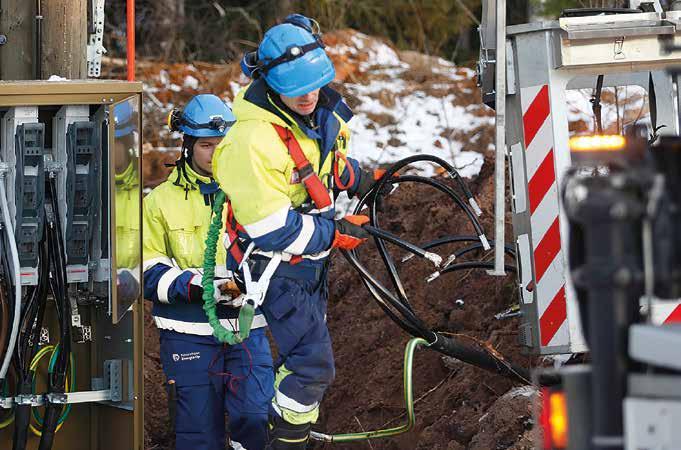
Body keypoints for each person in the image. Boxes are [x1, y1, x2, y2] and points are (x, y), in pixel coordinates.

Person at [213, 15, 391, 449]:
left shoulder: (307, 113)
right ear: (272, 83)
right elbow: (272, 228)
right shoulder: (251, 141)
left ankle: (289, 434)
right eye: (297, 88)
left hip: (307, 264)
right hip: (275, 265)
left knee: (304, 364)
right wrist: (335, 233)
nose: (310, 95)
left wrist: (358, 177)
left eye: (314, 84)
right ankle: (278, 441)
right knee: (313, 366)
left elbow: (316, 162)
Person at [142, 94, 274, 450]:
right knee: (199, 434)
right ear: (187, 145)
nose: (215, 154)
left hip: (247, 330)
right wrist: (199, 285)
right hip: (187, 335)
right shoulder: (157, 203)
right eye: (206, 145)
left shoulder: (258, 195)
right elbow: (146, 268)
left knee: (257, 416)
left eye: (222, 145)